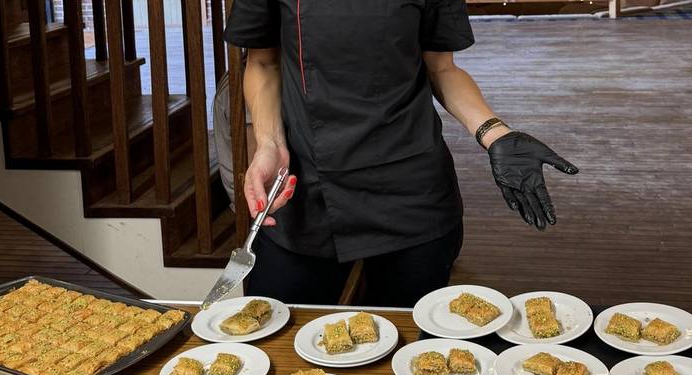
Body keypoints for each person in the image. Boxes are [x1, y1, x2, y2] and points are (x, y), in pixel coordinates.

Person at [224, 0, 578, 307]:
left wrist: (495, 133)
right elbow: (262, 64)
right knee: (280, 338)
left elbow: (442, 68)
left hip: (410, 193)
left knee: (413, 355)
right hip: (307, 188)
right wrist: (269, 143)